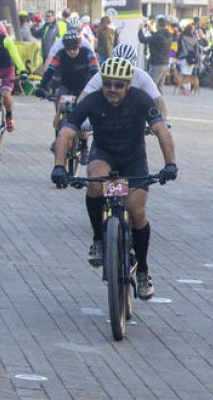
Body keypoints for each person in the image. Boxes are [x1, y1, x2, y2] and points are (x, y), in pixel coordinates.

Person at [51, 57, 177, 300]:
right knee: (94, 181)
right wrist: (59, 167)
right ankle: (99, 239)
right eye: (107, 84)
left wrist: (170, 164)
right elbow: (66, 132)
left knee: (136, 212)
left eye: (118, 85)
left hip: (133, 159)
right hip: (104, 154)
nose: (112, 89)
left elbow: (162, 131)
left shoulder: (141, 99)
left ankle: (143, 270)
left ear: (128, 85)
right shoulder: (92, 101)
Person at [36, 31, 99, 134]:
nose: (72, 51)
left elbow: (95, 73)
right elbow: (50, 71)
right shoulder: (60, 54)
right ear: (65, 48)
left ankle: (83, 140)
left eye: (75, 48)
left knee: (82, 116)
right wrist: (42, 87)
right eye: (69, 49)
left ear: (79, 46)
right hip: (66, 85)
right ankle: (58, 126)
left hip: (83, 87)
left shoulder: (87, 53)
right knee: (59, 101)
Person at [138, 16, 173, 93]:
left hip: (157, 64)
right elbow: (156, 37)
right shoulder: (168, 35)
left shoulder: (158, 36)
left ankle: (150, 100)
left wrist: (140, 30)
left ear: (158, 25)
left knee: (150, 85)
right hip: (165, 63)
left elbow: (142, 39)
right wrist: (150, 31)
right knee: (160, 88)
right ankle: (160, 100)